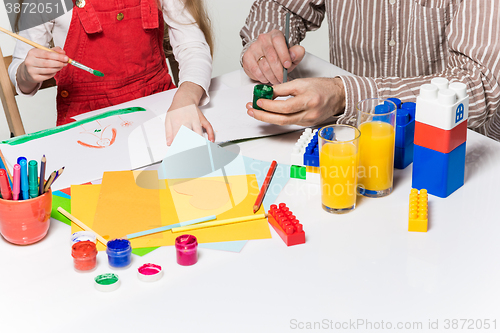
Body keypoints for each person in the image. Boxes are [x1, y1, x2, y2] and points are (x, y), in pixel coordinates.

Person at [240, 0, 500, 141]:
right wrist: (265, 45)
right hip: (346, 137)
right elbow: (282, 6)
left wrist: (345, 95)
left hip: (453, 149)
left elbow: (479, 83)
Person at [9, 0, 214, 145]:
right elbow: (20, 74)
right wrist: (27, 73)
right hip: (87, 126)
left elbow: (193, 46)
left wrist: (186, 97)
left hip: (160, 111)